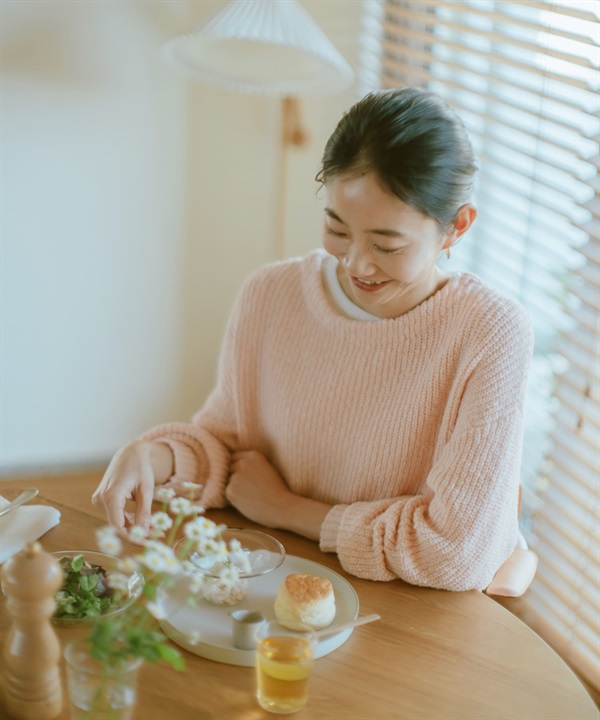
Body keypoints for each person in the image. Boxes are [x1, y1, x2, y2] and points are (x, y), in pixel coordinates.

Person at [92, 87, 533, 592]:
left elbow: (456, 553)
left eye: (387, 244)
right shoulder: (270, 294)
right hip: (272, 586)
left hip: (407, 613)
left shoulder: (491, 334)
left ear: (457, 227)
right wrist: (158, 457)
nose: (356, 263)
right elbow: (228, 449)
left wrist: (289, 511)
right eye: (337, 229)